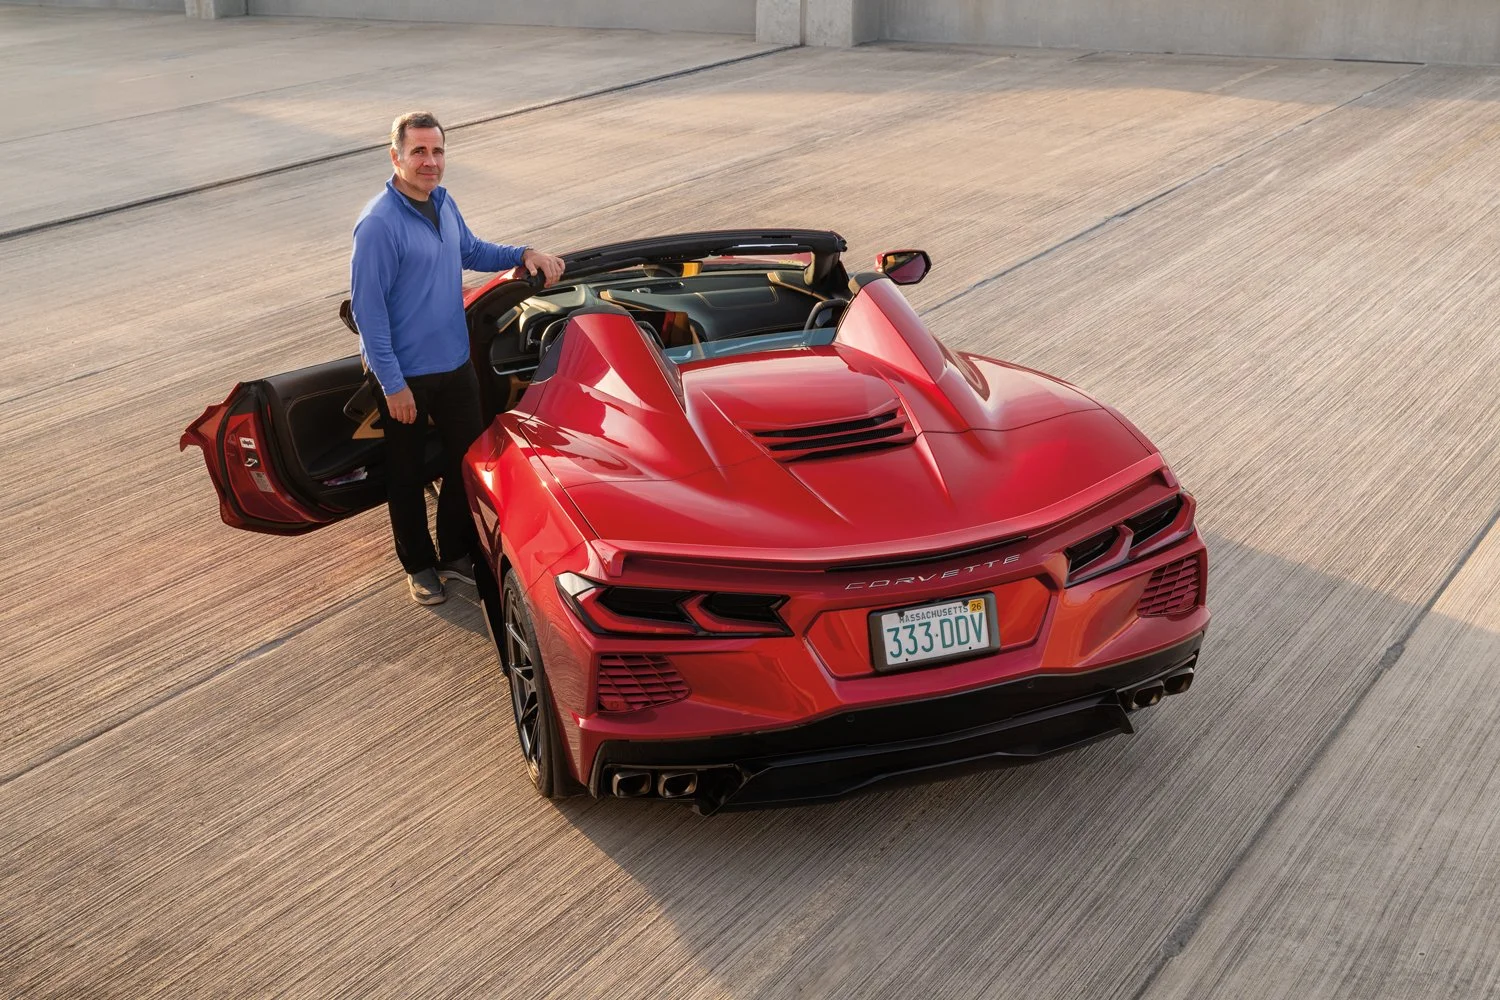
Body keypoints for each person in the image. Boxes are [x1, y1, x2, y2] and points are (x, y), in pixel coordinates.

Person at [350, 111, 564, 605]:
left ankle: (452, 552)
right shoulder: (378, 225)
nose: (430, 162)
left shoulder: (443, 203)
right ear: (396, 157)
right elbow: (369, 312)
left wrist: (523, 252)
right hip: (404, 373)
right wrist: (392, 384)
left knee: (465, 460)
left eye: (437, 151)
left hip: (454, 362)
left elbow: (471, 250)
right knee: (404, 474)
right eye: (419, 151)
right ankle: (419, 566)